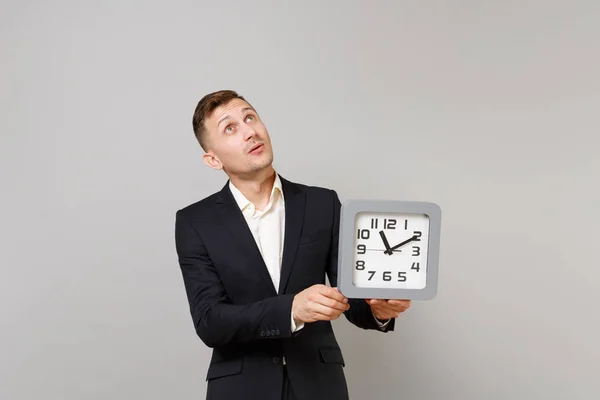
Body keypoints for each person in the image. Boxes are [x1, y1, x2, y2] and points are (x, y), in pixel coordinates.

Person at [174, 90, 411, 400]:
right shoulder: (195, 221)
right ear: (213, 159)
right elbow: (209, 321)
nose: (249, 131)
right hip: (240, 388)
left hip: (319, 383)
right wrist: (292, 309)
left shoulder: (322, 203)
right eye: (230, 128)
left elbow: (351, 297)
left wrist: (378, 309)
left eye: (250, 117)